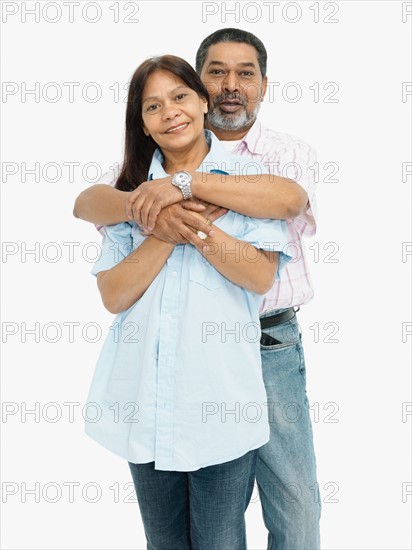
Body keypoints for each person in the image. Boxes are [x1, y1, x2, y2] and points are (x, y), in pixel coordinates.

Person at [74, 29, 321, 550]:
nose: (231, 85)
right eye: (154, 106)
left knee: (283, 512)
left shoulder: (266, 164)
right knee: (165, 533)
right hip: (164, 370)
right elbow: (94, 222)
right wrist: (160, 219)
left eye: (245, 73)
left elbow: (281, 217)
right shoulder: (138, 185)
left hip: (262, 347)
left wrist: (186, 196)